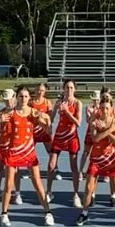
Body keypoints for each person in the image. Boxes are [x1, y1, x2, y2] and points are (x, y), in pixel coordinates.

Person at [0, 87, 55, 226]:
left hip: (29, 152)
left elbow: (48, 131)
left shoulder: (34, 113)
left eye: (26, 96)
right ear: (16, 97)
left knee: (37, 183)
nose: (23, 99)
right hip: (13, 151)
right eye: (21, 96)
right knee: (8, 184)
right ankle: (4, 214)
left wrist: (45, 121)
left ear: (29, 98)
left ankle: (48, 212)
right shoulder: (9, 113)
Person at [76, 91, 115, 226]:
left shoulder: (114, 121)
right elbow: (95, 139)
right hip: (96, 158)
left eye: (107, 108)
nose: (105, 110)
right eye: (102, 108)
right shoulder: (94, 122)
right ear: (99, 109)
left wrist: (108, 130)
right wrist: (109, 130)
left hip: (110, 159)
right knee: (89, 187)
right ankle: (84, 213)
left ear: (111, 108)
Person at [46, 79, 83, 207]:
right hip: (59, 136)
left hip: (72, 137)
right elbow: (50, 119)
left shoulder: (78, 103)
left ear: (75, 89)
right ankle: (49, 192)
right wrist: (47, 124)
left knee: (73, 166)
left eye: (72, 87)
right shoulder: (59, 102)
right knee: (51, 165)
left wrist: (67, 111)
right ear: (63, 88)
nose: (69, 90)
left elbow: (78, 122)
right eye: (67, 87)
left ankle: (76, 195)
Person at [32, 83, 53, 162]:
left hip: (44, 130)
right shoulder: (30, 102)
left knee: (50, 151)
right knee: (30, 151)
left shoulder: (47, 102)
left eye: (42, 90)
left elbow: (50, 118)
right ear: (35, 90)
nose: (40, 92)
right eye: (38, 90)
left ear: (44, 92)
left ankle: (55, 168)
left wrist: (49, 128)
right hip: (33, 131)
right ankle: (30, 170)